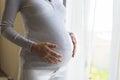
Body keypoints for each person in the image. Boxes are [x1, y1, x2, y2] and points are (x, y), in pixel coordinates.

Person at [0, 0, 77, 80]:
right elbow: (5, 29)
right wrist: (33, 46)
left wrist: (69, 34)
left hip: (62, 68)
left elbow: (54, 21)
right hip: (36, 67)